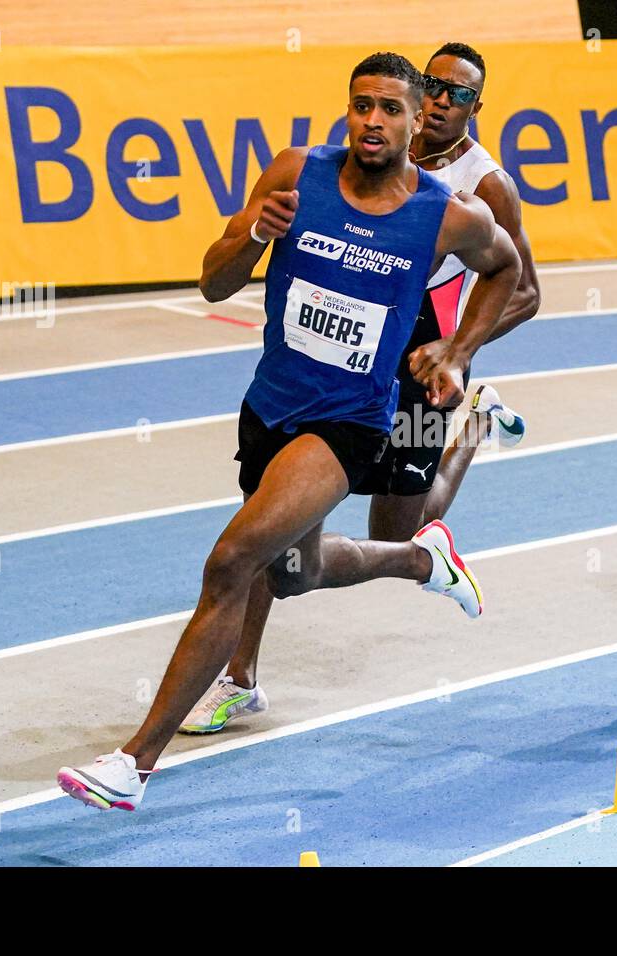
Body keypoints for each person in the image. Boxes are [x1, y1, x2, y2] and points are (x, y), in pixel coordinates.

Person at [57, 51, 520, 810]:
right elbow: (213, 282)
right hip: (268, 406)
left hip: (346, 425)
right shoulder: (296, 173)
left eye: (391, 109)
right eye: (361, 105)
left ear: (415, 120)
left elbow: (506, 268)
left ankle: (134, 764)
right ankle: (418, 561)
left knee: (232, 561)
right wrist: (253, 237)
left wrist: (458, 349)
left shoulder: (446, 213)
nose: (374, 121)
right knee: (289, 573)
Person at [178, 41, 542, 735]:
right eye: (432, 86)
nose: (440, 100)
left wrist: (457, 353)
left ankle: (474, 429)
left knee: (395, 523)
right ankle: (240, 676)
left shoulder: (484, 187)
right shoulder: (361, 153)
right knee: (268, 524)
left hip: (421, 359)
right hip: (339, 365)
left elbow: (523, 289)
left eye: (457, 94)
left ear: (475, 108)